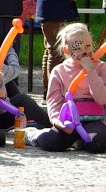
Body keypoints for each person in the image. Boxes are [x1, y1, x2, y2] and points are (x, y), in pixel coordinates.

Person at [29, 23, 106, 152]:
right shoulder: (60, 70)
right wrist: (57, 121)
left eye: (88, 46)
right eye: (78, 48)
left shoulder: (101, 67)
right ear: (67, 50)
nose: (85, 51)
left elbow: (102, 98)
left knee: (97, 143)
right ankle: (33, 134)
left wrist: (91, 72)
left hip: (95, 119)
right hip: (69, 120)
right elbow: (54, 100)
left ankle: (80, 141)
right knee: (49, 142)